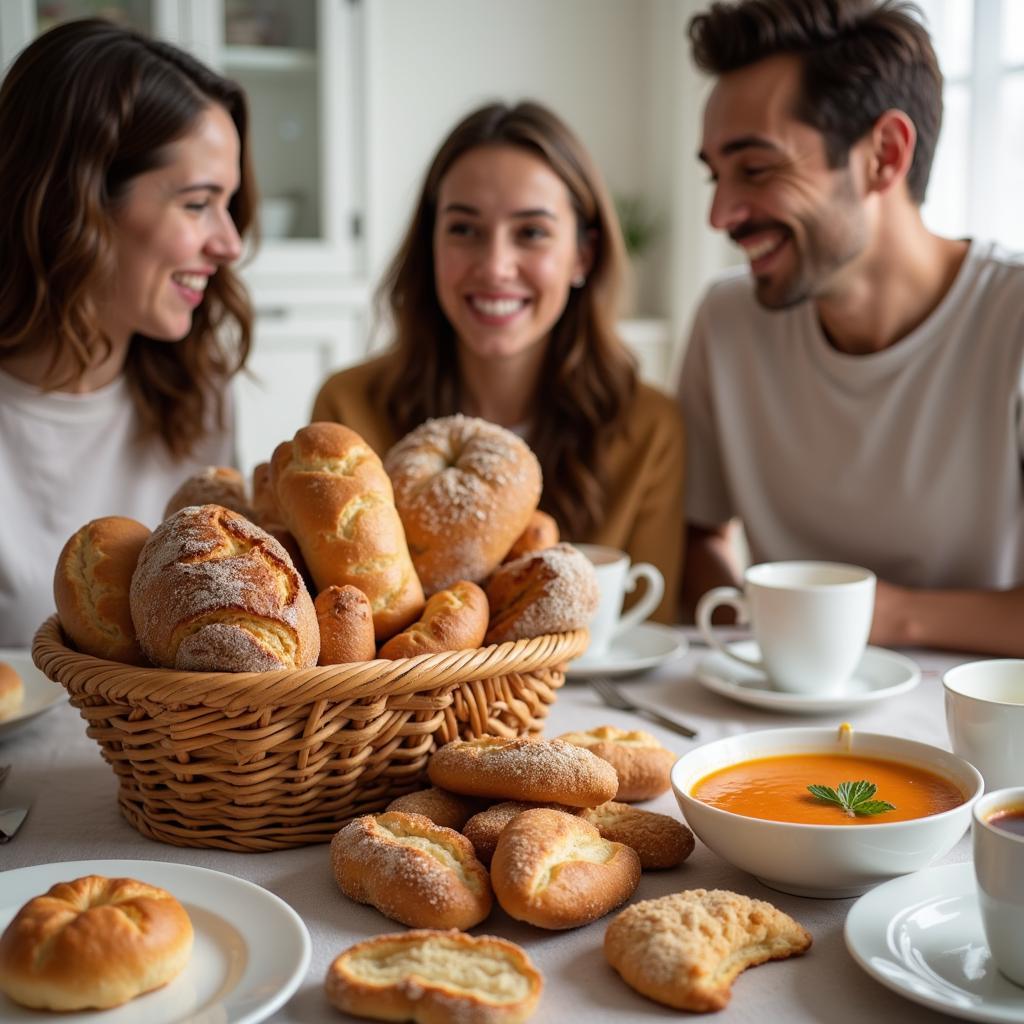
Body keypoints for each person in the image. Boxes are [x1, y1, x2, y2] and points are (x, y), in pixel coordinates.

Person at [678, 0, 1024, 655]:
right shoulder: (727, 323)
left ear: (883, 156)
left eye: (755, 169)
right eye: (716, 175)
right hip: (772, 728)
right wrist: (760, 660)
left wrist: (871, 619)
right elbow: (700, 538)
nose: (721, 214)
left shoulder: (1013, 322)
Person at [313, 101, 685, 622]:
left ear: (583, 255)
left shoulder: (650, 430)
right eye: (464, 229)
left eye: (531, 232)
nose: (494, 266)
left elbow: (650, 628)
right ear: (431, 246)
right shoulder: (348, 411)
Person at [0, 19, 256, 646]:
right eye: (197, 204)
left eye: (228, 204)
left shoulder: (200, 392)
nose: (228, 243)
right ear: (76, 203)